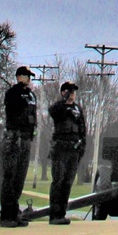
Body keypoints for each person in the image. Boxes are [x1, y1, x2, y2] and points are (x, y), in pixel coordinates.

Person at [0, 66, 38, 228]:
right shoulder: (12, 93)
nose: (30, 79)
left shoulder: (31, 95)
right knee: (10, 177)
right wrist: (19, 88)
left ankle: (15, 213)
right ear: (20, 77)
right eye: (28, 76)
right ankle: (6, 216)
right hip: (14, 138)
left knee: (20, 178)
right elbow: (14, 112)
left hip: (26, 138)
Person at [47, 81, 87, 226]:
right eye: (70, 91)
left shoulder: (78, 109)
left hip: (74, 149)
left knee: (68, 182)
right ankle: (54, 214)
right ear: (64, 92)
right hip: (61, 149)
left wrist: (82, 146)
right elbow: (52, 111)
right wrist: (64, 100)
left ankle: (62, 213)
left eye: (74, 92)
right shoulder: (59, 107)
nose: (73, 94)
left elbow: (83, 129)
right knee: (58, 180)